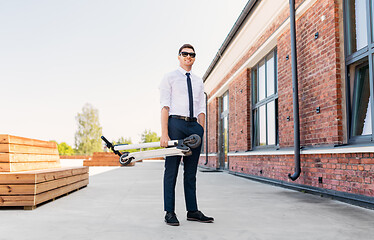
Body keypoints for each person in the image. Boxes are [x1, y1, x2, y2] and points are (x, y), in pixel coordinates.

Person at [159, 44, 214, 226]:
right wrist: (164, 133)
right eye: (185, 54)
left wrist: (201, 129)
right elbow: (165, 106)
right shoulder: (170, 78)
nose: (188, 57)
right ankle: (169, 212)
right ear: (179, 56)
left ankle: (192, 211)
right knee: (171, 170)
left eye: (191, 55)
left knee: (191, 172)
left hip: (194, 127)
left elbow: (200, 107)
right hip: (175, 124)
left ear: (194, 58)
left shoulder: (198, 80)